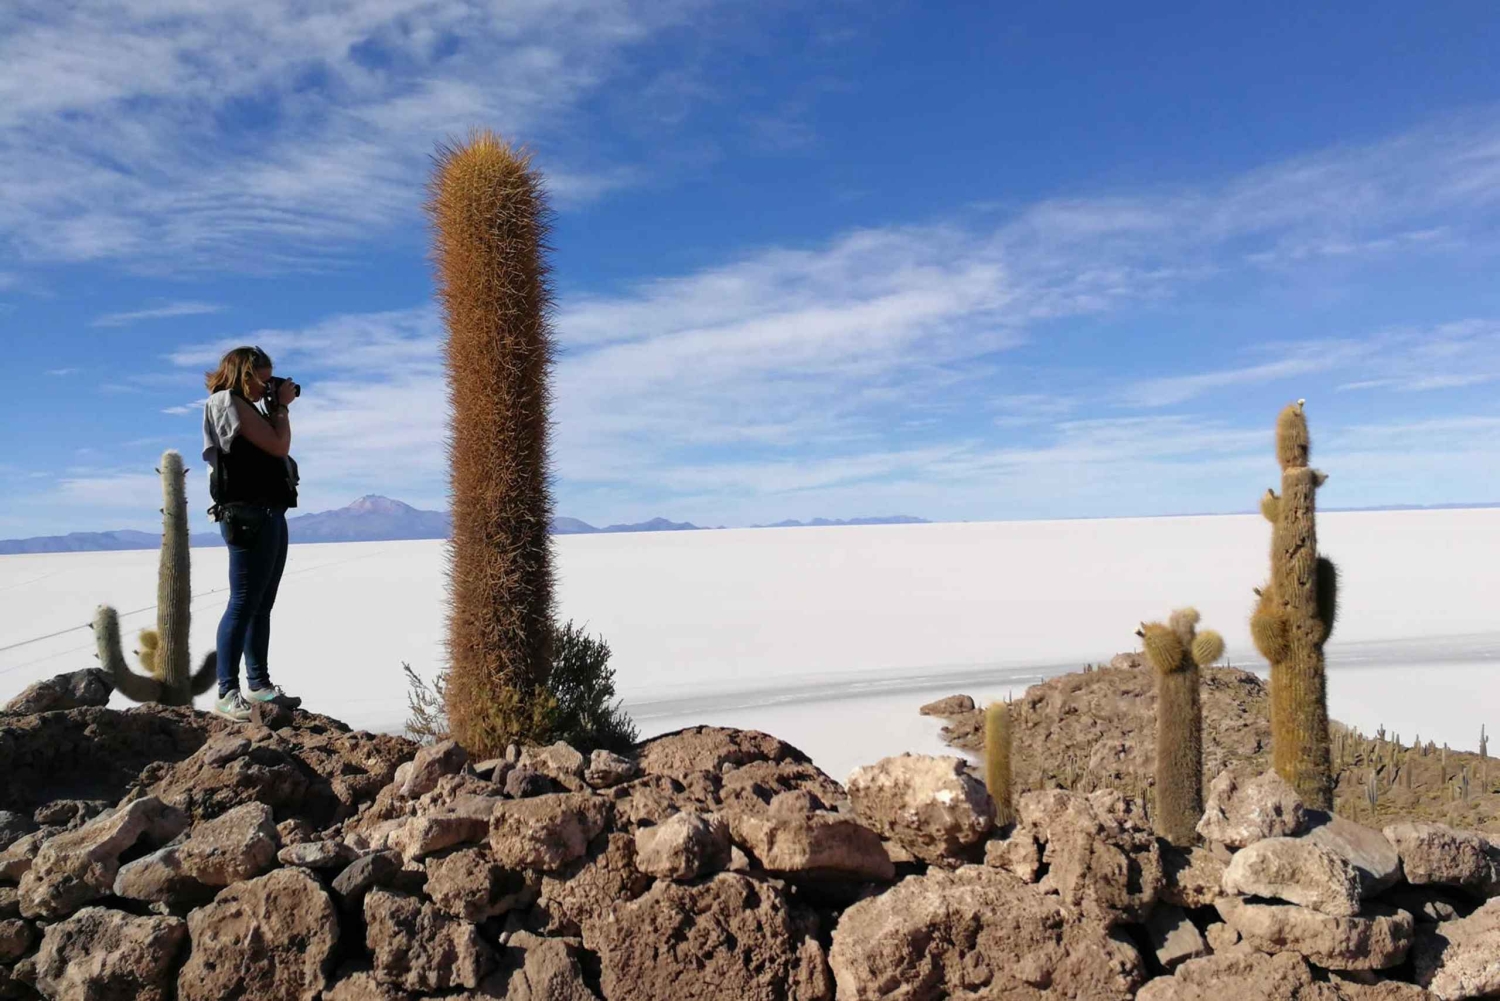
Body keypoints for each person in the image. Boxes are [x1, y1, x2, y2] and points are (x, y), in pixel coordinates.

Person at [201, 345, 303, 720]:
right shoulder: (228, 402)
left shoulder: (249, 406)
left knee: (262, 604)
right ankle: (227, 691)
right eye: (265, 378)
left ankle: (258, 686)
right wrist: (281, 406)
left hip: (269, 512)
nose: (268, 386)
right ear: (247, 374)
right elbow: (279, 444)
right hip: (247, 516)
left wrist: (275, 405)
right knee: (243, 602)